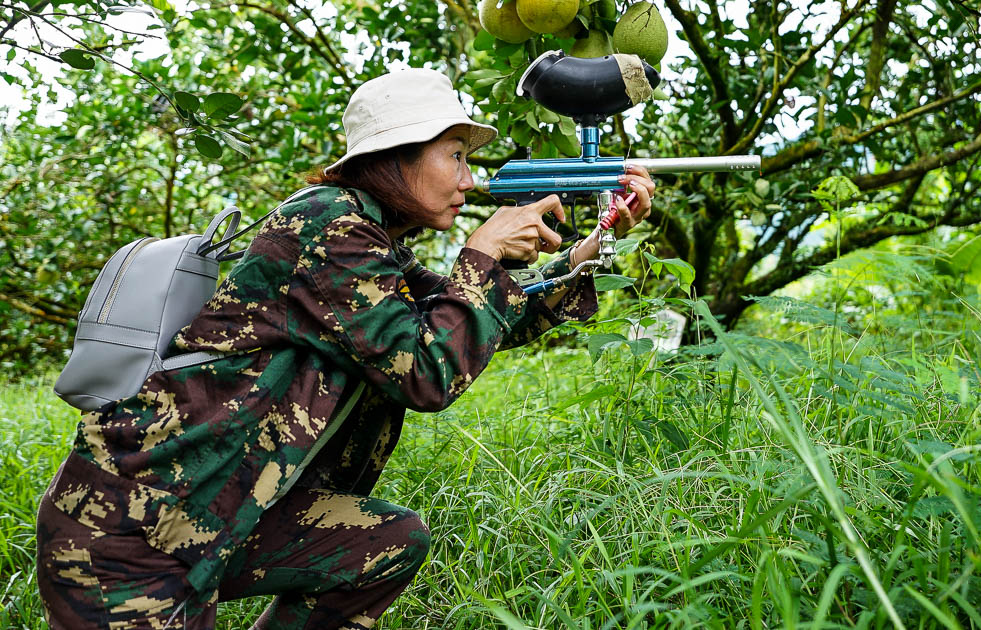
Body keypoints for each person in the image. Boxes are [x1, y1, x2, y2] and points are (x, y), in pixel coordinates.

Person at [36, 69, 655, 629]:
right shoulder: (330, 226)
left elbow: (472, 322)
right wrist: (483, 253)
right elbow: (428, 373)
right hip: (129, 533)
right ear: (397, 158)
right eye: (457, 156)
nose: (471, 179)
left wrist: (586, 255)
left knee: (387, 542)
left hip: (222, 510)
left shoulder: (373, 242)